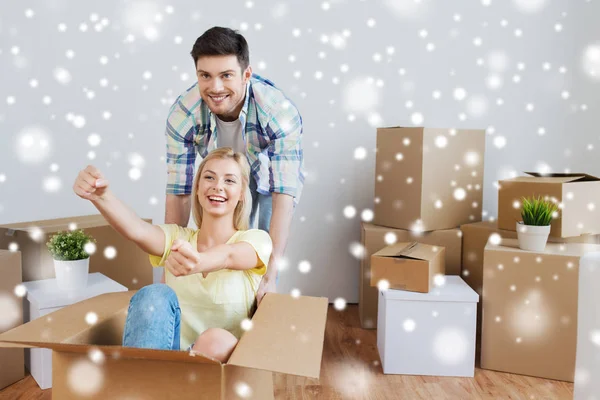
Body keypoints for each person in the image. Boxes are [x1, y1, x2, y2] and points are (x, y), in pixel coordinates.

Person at [73, 147, 272, 362]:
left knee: (215, 340)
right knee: (154, 294)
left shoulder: (256, 240)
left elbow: (229, 255)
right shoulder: (178, 238)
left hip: (222, 374)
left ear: (242, 193)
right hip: (168, 365)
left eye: (229, 181)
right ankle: (144, 385)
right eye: (209, 177)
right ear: (197, 188)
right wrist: (101, 197)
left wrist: (199, 261)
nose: (217, 186)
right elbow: (137, 230)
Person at [163, 26, 304, 303]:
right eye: (206, 76)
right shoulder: (183, 114)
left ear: (246, 74)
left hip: (264, 183)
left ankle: (255, 321)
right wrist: (169, 271)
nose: (215, 88)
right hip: (218, 176)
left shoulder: (279, 112)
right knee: (213, 244)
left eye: (226, 75)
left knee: (258, 260)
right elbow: (178, 192)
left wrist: (270, 276)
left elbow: (283, 196)